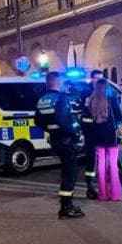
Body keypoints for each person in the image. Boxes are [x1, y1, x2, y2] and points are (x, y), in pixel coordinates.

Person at [35, 72, 85, 219]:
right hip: (67, 140)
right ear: (57, 82)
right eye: (62, 81)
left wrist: (51, 129)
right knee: (70, 173)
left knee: (66, 171)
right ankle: (66, 206)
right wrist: (76, 133)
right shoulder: (61, 98)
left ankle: (66, 204)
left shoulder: (42, 100)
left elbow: (38, 121)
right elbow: (63, 120)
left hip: (55, 140)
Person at [83, 70, 122, 201]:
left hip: (96, 135)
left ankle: (103, 193)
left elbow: (86, 118)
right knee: (112, 164)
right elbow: (118, 117)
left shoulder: (91, 101)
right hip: (111, 135)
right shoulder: (112, 100)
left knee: (100, 164)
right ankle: (115, 193)